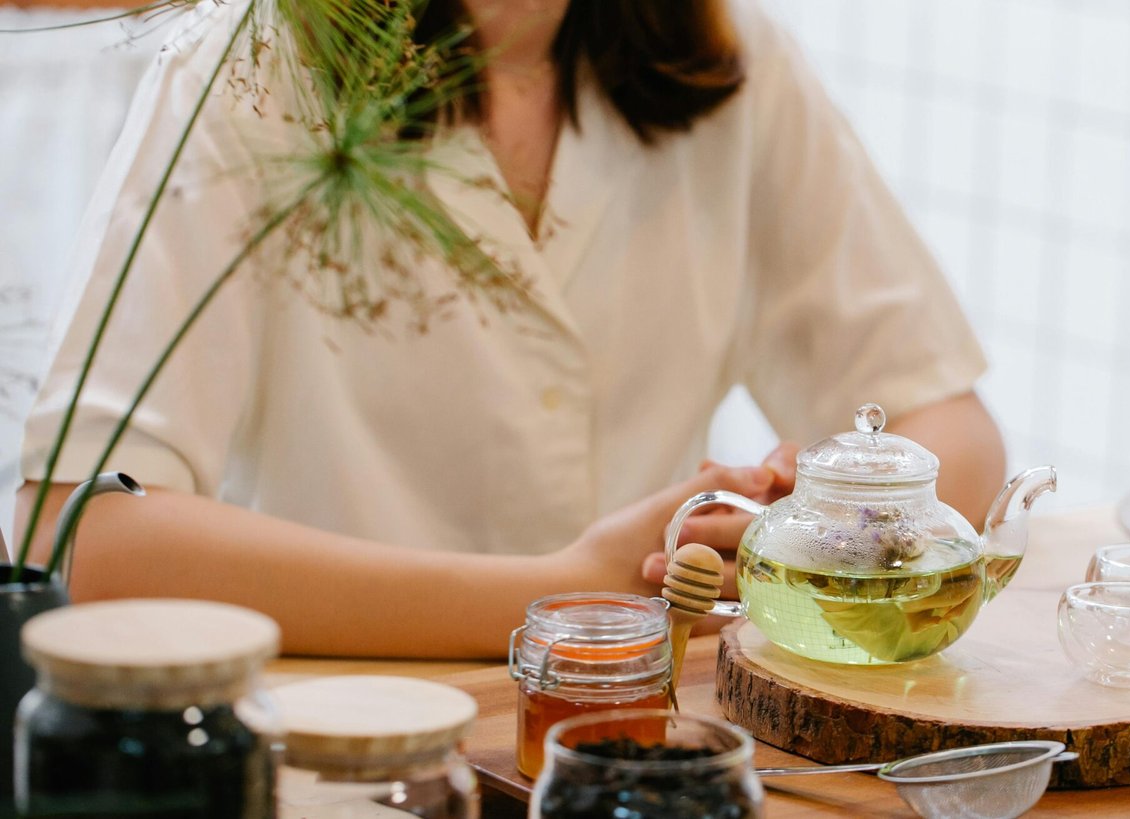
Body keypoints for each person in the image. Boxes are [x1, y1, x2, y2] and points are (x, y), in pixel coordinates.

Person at [14, 0, 1003, 658]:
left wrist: (812, 533)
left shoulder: (721, 48)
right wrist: (562, 591)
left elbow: (945, 426)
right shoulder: (253, 61)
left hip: (644, 740)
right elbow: (83, 532)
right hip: (341, 742)